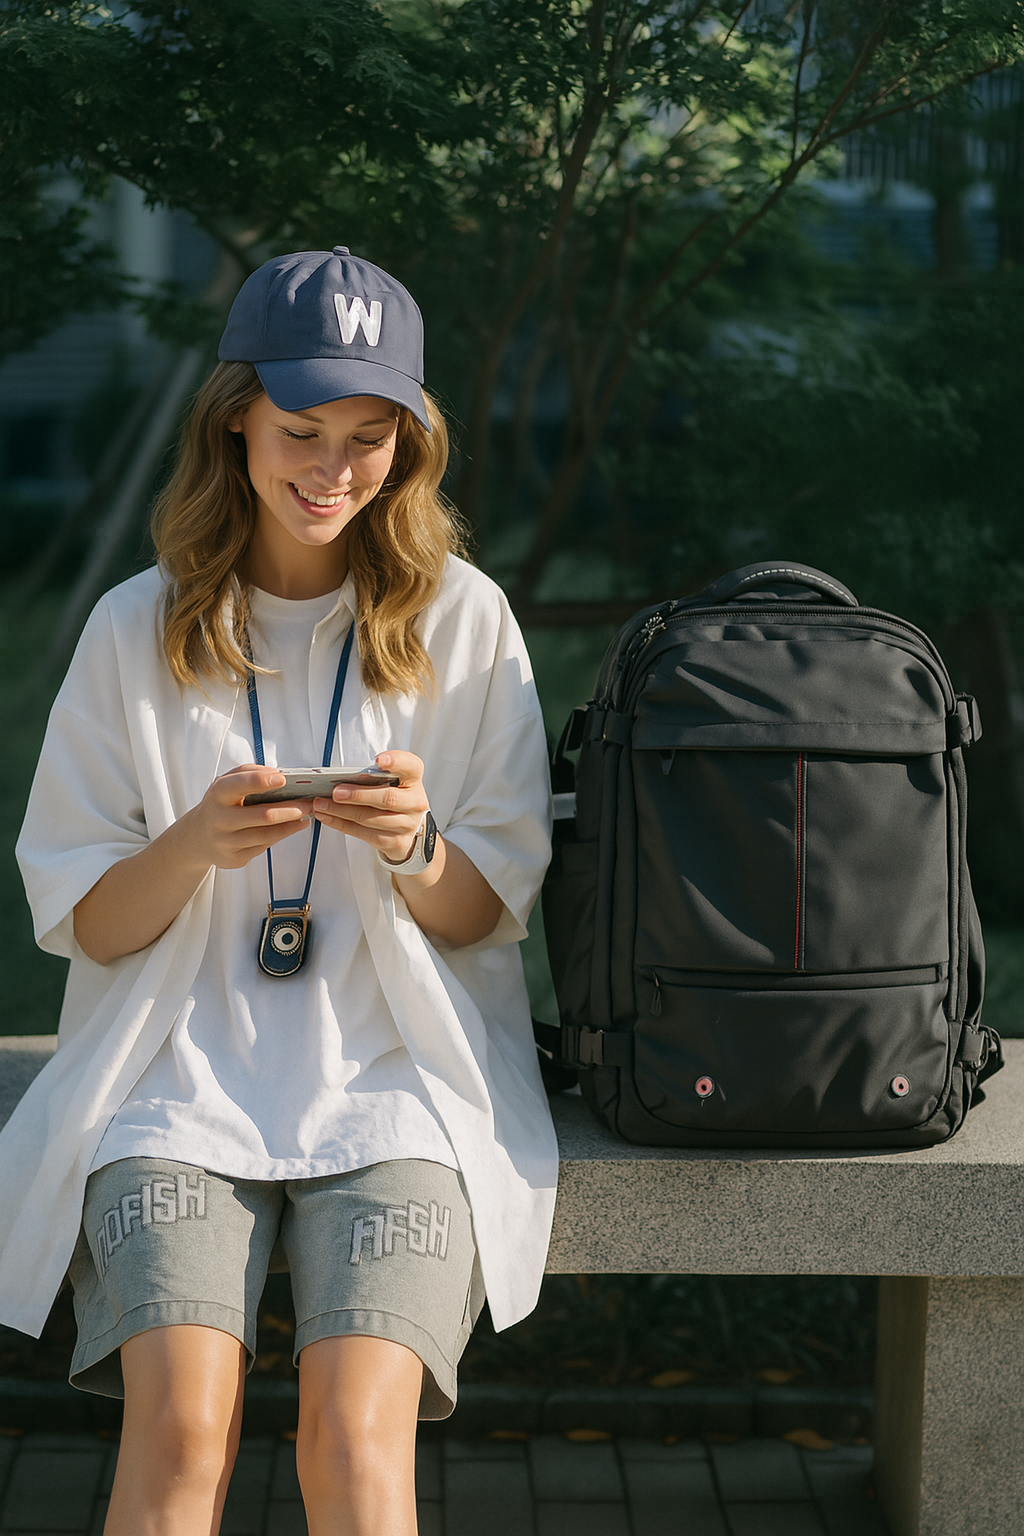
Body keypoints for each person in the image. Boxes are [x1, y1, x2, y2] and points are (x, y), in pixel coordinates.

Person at [6, 246, 557, 1536]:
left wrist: (416, 845)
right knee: (185, 1428)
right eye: (301, 427)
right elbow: (83, 922)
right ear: (236, 419)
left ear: (412, 446)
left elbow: (489, 916)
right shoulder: (134, 629)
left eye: (372, 436)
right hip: (174, 1084)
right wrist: (193, 843)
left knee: (357, 1443)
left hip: (398, 1084)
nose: (332, 468)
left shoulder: (465, 619)